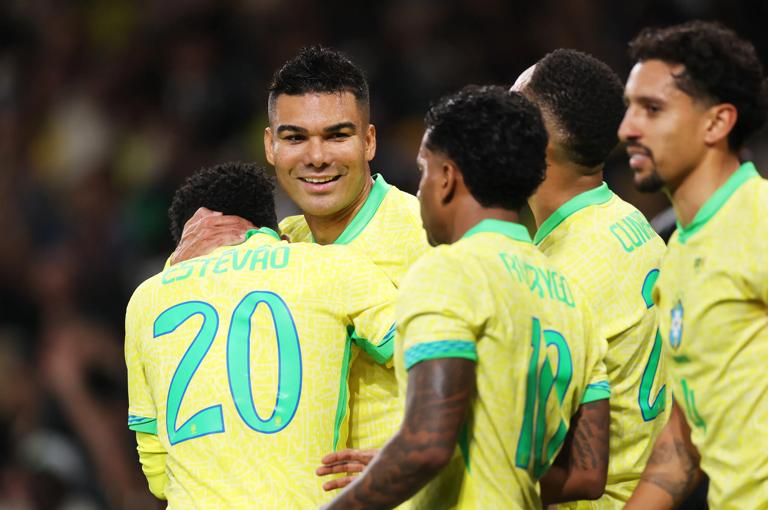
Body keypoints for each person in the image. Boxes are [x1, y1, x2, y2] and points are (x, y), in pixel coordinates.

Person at [324, 86, 610, 510]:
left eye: (423, 169)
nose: (419, 189)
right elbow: (588, 476)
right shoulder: (570, 295)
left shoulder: (449, 272)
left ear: (446, 178)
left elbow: (427, 446)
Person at [170, 46, 429, 452]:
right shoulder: (274, 246)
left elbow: (497, 369)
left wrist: (415, 456)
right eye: (296, 138)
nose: (317, 157)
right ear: (271, 146)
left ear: (369, 141)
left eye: (337, 135)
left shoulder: (428, 238)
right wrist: (180, 270)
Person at [125, 162, 398, 508]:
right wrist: (402, 459)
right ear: (276, 230)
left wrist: (173, 270)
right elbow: (431, 356)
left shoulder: (146, 300)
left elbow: (158, 474)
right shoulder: (330, 267)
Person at [619, 21, 768, 509]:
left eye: (652, 109)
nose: (627, 129)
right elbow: (685, 437)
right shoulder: (678, 251)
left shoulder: (759, 219)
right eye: (629, 109)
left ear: (716, 123)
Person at [511, 49, 667, 507]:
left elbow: (551, 462)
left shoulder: (556, 277)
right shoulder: (629, 222)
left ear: (539, 143)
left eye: (513, 109)